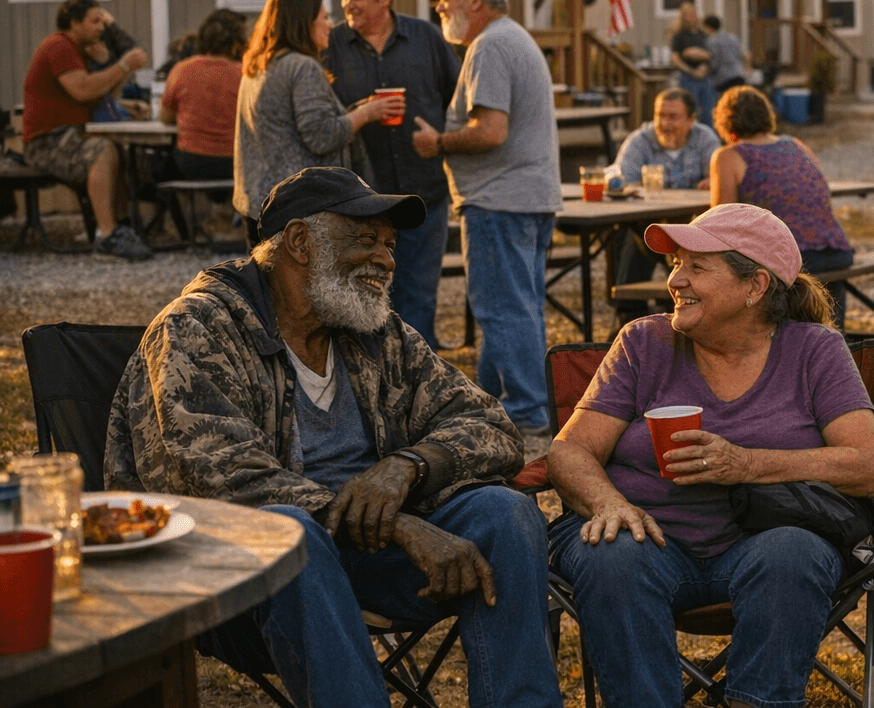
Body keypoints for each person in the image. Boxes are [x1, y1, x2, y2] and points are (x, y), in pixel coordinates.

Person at [103, 167, 562, 708]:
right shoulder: (198, 327)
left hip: (366, 557)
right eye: (366, 239)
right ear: (299, 242)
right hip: (239, 580)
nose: (388, 261)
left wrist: (409, 466)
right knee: (290, 531)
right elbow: (216, 480)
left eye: (390, 245)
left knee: (504, 514)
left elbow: (493, 426)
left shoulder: (376, 332)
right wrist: (399, 527)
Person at [546, 203, 874, 708]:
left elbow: (869, 466)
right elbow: (570, 450)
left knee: (795, 553)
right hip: (647, 540)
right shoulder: (644, 342)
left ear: (755, 288)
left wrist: (747, 464)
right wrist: (606, 503)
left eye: (696, 267)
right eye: (675, 265)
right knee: (611, 551)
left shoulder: (814, 351)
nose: (675, 281)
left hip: (760, 543)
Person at [410, 0, 561, 435]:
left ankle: (525, 409)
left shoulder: (490, 45)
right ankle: (497, 402)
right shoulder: (515, 37)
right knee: (517, 304)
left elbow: (490, 131)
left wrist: (439, 143)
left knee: (502, 306)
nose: (439, 7)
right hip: (529, 194)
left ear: (475, 0)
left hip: (500, 198)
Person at [327, 0, 462, 350]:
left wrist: (443, 138)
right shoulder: (333, 44)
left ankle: (418, 379)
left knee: (419, 292)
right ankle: (372, 377)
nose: (348, 5)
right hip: (362, 196)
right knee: (363, 294)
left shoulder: (425, 37)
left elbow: (459, 94)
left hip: (424, 190)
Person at [233, 0, 403, 246]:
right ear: (304, 23)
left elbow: (288, 125)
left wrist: (352, 111)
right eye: (324, 17)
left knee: (268, 286)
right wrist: (367, 114)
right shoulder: (302, 66)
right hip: (297, 208)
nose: (330, 25)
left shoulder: (258, 65)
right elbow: (322, 136)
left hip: (257, 202)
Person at [710, 85, 854, 327]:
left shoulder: (729, 156)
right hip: (837, 250)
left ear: (725, 122)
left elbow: (719, 224)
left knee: (729, 266)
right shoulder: (796, 144)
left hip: (795, 257)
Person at [21, 0, 152, 259]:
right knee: (101, 150)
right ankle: (107, 237)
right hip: (45, 141)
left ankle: (122, 226)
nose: (101, 27)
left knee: (117, 149)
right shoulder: (59, 47)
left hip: (68, 135)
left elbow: (97, 94)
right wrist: (124, 64)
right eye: (95, 21)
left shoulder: (79, 51)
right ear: (74, 23)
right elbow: (82, 90)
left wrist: (126, 105)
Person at [610, 88, 722, 323]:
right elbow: (619, 178)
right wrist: (627, 183)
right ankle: (630, 313)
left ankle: (637, 309)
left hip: (692, 227)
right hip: (648, 223)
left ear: (691, 119)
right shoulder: (640, 140)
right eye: (660, 115)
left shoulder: (705, 138)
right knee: (634, 234)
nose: (664, 123)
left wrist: (713, 180)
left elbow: (719, 176)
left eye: (673, 116)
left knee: (639, 238)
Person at [158, 9, 247, 180]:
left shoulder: (182, 69)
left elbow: (165, 117)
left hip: (191, 162)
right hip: (235, 163)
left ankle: (181, 206)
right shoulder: (245, 74)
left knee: (155, 164)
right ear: (237, 45)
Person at [669, 1, 714, 124]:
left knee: (708, 111)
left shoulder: (702, 34)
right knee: (692, 111)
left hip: (704, 76)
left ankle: (708, 140)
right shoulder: (679, 35)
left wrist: (704, 67)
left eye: (693, 14)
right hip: (688, 77)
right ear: (683, 17)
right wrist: (690, 70)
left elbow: (710, 54)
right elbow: (675, 57)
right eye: (688, 15)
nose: (691, 17)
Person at [704, 13, 748, 94]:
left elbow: (714, 63)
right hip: (739, 74)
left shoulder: (712, 41)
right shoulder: (733, 37)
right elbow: (745, 55)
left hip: (723, 79)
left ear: (708, 28)